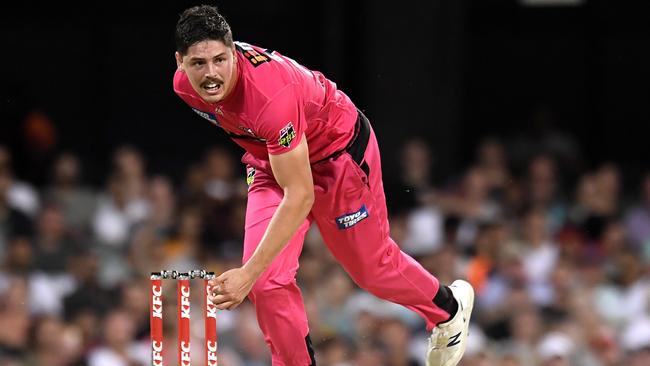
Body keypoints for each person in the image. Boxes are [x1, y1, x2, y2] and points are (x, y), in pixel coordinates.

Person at [173, 5, 474, 365]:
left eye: (220, 60)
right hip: (275, 160)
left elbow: (299, 196)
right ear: (180, 62)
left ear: (234, 52)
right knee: (267, 283)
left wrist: (245, 275)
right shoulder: (185, 89)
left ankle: (448, 309)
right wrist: (254, 274)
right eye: (198, 64)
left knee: (371, 270)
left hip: (338, 156)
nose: (211, 75)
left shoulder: (270, 96)